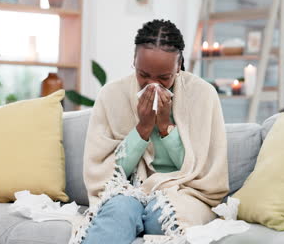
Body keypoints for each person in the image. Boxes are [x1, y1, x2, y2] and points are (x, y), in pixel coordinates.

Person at [80, 19, 229, 244]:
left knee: (160, 215)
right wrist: (142, 129)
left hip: (184, 193)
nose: (152, 84)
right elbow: (107, 174)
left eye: (164, 78)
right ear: (133, 61)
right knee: (119, 210)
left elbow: (200, 172)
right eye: (143, 75)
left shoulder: (203, 96)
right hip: (129, 190)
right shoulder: (111, 95)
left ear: (178, 66)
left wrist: (165, 127)